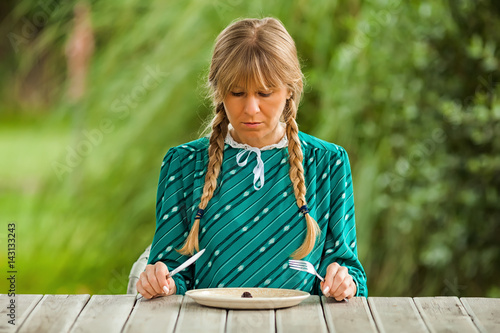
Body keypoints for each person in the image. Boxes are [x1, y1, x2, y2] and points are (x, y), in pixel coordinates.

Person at [136, 17, 368, 301]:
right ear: (219, 91)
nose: (251, 108)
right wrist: (161, 281)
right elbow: (171, 271)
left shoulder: (327, 164)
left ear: (289, 90)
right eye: (237, 93)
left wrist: (345, 283)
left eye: (265, 93)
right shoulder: (184, 165)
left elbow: (351, 272)